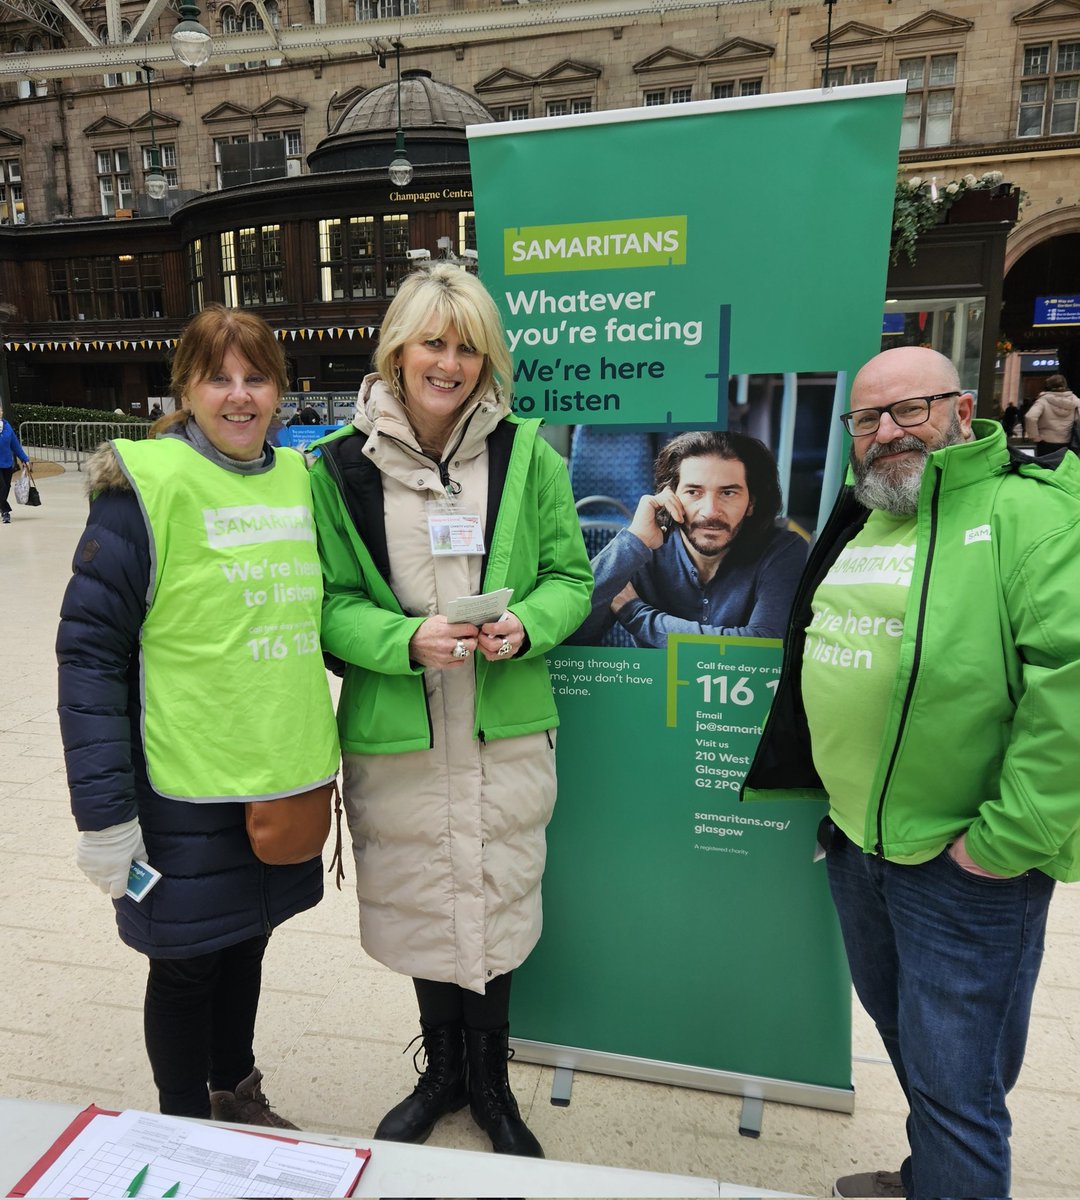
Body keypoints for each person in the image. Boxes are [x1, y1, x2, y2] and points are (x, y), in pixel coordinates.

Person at [743, 346, 1080, 1200]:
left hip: (967, 866)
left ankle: (951, 1172)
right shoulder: (863, 516)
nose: (887, 432)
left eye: (911, 411)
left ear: (963, 411)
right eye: (868, 419)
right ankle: (932, 1175)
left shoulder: (1026, 515)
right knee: (910, 1042)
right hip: (860, 847)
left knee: (958, 1083)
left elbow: (1070, 693)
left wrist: (1004, 844)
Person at [310, 263, 592, 1158]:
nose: (451, 362)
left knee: (494, 898)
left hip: (502, 726)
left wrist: (527, 624)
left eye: (469, 346)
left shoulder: (527, 454)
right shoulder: (339, 470)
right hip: (403, 728)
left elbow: (570, 578)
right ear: (397, 348)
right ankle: (440, 1073)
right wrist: (403, 642)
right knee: (432, 901)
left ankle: (492, 1084)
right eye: (434, 341)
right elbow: (327, 601)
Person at [57, 304, 340, 1128]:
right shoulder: (144, 486)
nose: (240, 395)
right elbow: (90, 657)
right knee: (184, 962)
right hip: (181, 783)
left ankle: (233, 1089)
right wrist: (104, 816)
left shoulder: (299, 479)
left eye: (257, 376)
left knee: (248, 939)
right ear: (186, 385)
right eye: (219, 376)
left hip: (279, 774)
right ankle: (182, 1123)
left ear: (281, 390)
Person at [570, 430, 806, 647]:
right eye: (694, 492)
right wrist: (634, 540)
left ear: (751, 503)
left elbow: (762, 646)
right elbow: (569, 634)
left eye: (728, 493)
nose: (710, 511)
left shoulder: (783, 550)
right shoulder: (642, 551)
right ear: (670, 496)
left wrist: (636, 615)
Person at [1023, 372, 1080, 456]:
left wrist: (1035, 436)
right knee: (1064, 467)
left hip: (1046, 442)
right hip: (1068, 441)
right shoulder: (1075, 401)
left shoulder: (1043, 400)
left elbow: (1030, 417)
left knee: (1046, 467)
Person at [0, 404, 31, 525]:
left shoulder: (7, 427)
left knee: (6, 487)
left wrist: (24, 459)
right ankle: (5, 511)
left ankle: (2, 508)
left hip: (7, 463)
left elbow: (15, 445)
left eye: (1, 410)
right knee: (2, 487)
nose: (0, 412)